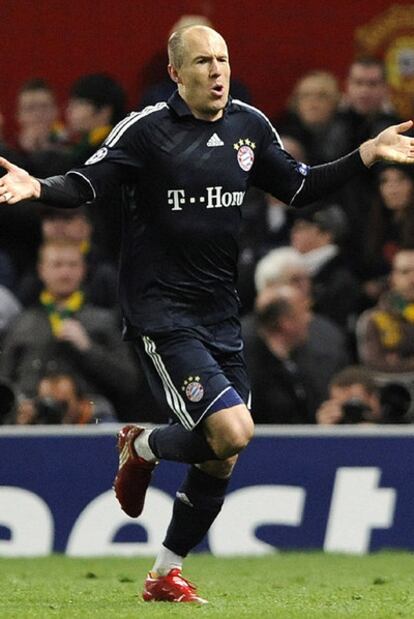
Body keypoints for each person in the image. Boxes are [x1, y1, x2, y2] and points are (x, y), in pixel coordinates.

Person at [0, 24, 413, 605]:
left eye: (221, 59)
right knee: (232, 429)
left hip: (220, 314)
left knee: (223, 454)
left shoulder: (248, 125)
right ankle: (141, 448)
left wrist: (366, 153)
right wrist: (39, 187)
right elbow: (89, 181)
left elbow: (298, 189)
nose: (216, 71)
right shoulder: (145, 132)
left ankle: (163, 573)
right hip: (160, 314)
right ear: (176, 73)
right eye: (201, 61)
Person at [0, 239, 138, 419]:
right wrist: (21, 404)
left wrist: (88, 348)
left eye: (72, 265)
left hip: (90, 415)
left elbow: (129, 382)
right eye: (57, 265)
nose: (65, 273)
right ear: (41, 270)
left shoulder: (103, 321)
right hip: (30, 416)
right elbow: (4, 382)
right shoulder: (22, 323)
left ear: (83, 269)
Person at [245, 285, 314, 423]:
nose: (310, 318)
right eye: (304, 311)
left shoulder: (296, 363)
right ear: (285, 322)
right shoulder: (253, 371)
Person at [14, 371, 116, 425]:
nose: (55, 410)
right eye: (48, 403)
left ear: (79, 401)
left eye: (63, 404)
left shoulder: (101, 424)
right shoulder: (38, 422)